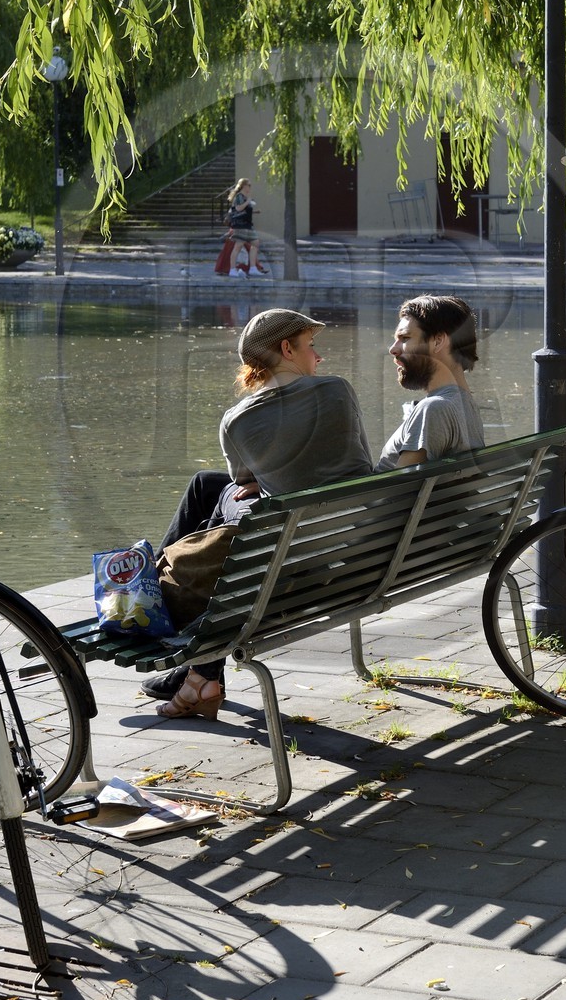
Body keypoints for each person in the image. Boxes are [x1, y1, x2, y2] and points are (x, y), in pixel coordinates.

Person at [144, 309, 373, 720]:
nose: (318, 356)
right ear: (287, 349)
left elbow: (244, 481)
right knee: (208, 487)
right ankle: (198, 669)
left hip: (294, 558)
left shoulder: (236, 420)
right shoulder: (339, 390)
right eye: (311, 346)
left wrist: (269, 481)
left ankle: (158, 605)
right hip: (351, 547)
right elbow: (357, 465)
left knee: (216, 494)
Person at [378, 295, 485, 467]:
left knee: (338, 388)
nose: (393, 349)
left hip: (365, 485)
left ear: (438, 341)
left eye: (405, 338)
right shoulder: (467, 406)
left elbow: (400, 482)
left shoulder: (433, 409)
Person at [225, 177, 265, 277]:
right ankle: (232, 270)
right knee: (238, 246)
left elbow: (244, 211)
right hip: (240, 225)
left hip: (247, 225)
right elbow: (238, 209)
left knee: (255, 243)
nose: (250, 187)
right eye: (249, 185)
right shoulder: (239, 196)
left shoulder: (244, 197)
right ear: (243, 186)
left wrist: (254, 211)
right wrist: (248, 201)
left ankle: (253, 268)